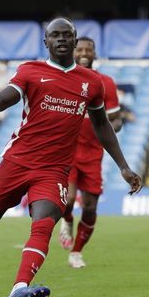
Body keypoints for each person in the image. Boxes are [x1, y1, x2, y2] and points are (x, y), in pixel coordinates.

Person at [0, 18, 142, 297]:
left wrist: (123, 166)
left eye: (67, 35)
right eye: (55, 36)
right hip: (17, 161)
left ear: (74, 42)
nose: (61, 40)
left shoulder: (92, 82)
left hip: (55, 170)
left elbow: (103, 126)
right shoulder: (30, 71)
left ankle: (19, 289)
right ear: (45, 43)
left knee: (44, 224)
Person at [58, 36, 122, 268]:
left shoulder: (105, 82)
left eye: (89, 49)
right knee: (68, 200)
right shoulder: (63, 79)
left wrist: (105, 127)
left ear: (95, 53)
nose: (84, 53)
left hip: (94, 154)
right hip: (68, 152)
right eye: (80, 49)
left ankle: (76, 253)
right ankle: (66, 221)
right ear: (73, 52)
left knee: (91, 207)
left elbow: (117, 121)